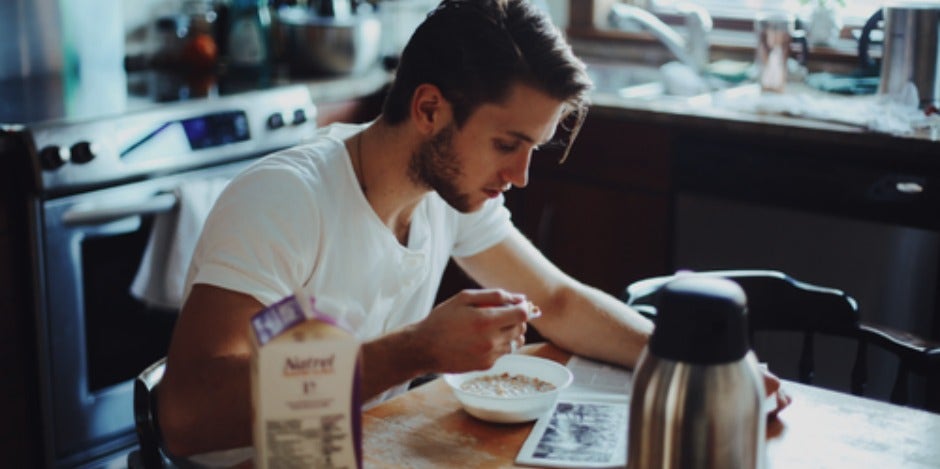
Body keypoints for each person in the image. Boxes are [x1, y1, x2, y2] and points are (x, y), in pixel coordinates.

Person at [158, 0, 790, 464]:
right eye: (508, 144)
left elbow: (560, 302)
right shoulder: (286, 200)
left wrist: (708, 366)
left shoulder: (446, 193)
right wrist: (416, 349)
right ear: (429, 109)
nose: (520, 176)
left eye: (533, 149)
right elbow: (185, 417)